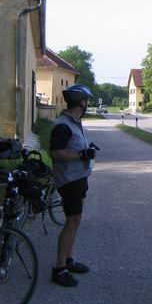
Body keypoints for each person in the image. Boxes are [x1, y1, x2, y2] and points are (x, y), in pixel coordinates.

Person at [49, 84, 96, 287]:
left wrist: (87, 151)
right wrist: (82, 155)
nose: (87, 105)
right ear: (80, 102)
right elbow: (56, 152)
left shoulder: (74, 122)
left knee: (75, 221)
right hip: (69, 180)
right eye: (86, 101)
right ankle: (59, 269)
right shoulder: (63, 125)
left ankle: (69, 260)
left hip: (79, 177)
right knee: (72, 221)